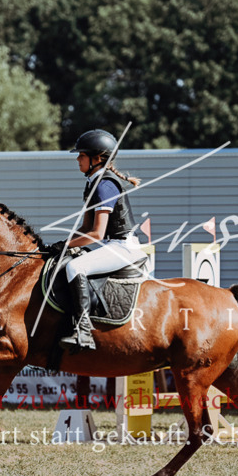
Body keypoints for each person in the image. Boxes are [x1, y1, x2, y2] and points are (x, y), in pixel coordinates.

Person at [57, 129, 147, 351]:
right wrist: (62, 244)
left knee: (75, 267)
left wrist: (67, 246)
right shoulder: (93, 183)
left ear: (97, 159)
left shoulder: (105, 185)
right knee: (68, 260)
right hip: (112, 245)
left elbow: (96, 233)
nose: (78, 159)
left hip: (123, 247)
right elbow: (86, 228)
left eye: (82, 155)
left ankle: (84, 331)